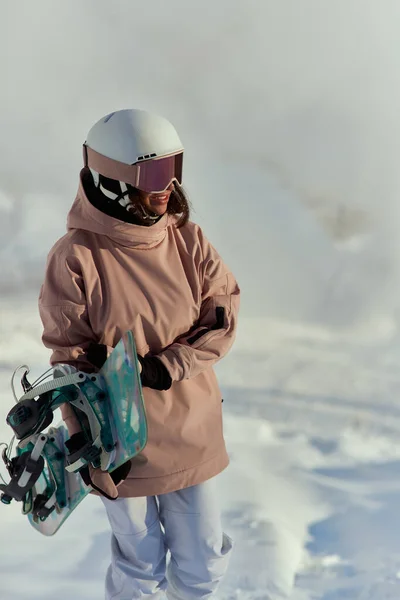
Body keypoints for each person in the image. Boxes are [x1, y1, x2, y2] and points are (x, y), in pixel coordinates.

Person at [38, 108, 240, 599]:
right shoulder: (77, 256)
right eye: (154, 173)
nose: (167, 185)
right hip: (121, 442)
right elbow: (71, 358)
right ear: (113, 180)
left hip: (190, 428)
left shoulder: (187, 240)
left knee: (204, 564)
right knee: (140, 567)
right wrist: (88, 438)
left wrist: (166, 366)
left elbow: (222, 318)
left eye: (174, 169)